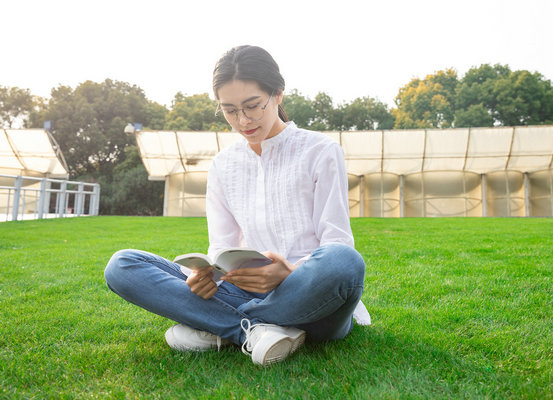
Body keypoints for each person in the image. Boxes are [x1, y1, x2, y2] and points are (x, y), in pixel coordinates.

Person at [104, 45, 370, 366]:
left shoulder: (321, 151)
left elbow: (337, 242)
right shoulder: (222, 165)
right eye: (229, 110)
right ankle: (252, 331)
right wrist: (204, 276)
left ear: (278, 95)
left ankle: (218, 326)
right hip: (243, 289)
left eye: (252, 106)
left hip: (309, 293)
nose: (242, 120)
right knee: (123, 266)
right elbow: (221, 248)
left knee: (344, 262)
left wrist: (288, 273)